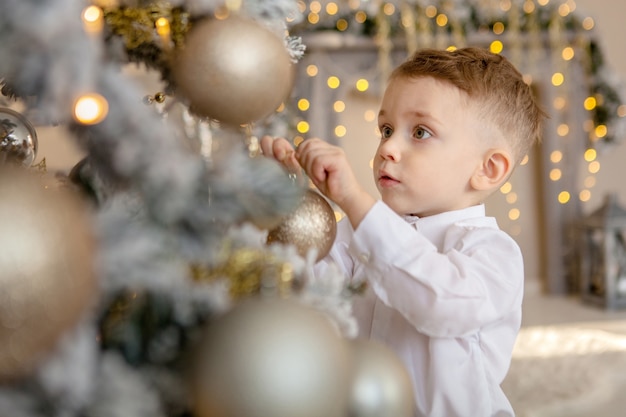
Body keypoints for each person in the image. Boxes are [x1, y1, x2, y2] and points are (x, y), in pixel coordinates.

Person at [261, 46, 546, 417]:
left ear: (488, 169)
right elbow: (308, 297)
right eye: (387, 129)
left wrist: (357, 201)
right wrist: (282, 208)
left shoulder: (493, 253)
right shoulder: (357, 231)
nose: (388, 148)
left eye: (421, 131)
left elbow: (439, 303)